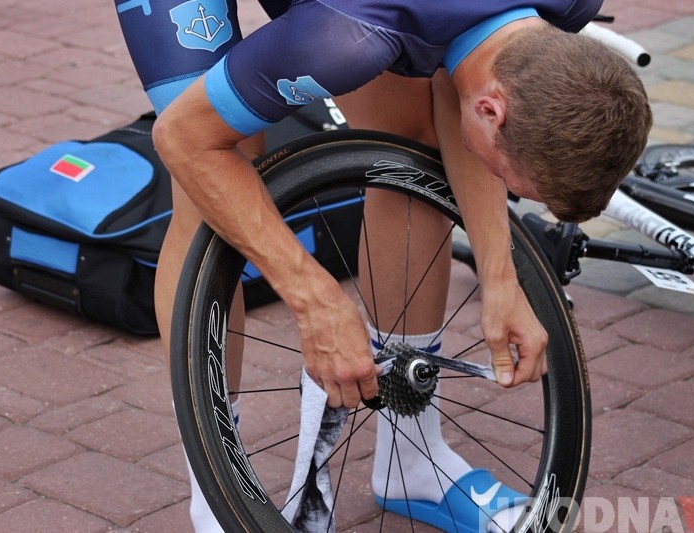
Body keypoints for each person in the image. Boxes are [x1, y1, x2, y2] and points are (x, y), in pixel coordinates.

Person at [115, 0, 652, 530]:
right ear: (495, 111)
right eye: (515, 184)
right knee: (214, 165)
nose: (508, 192)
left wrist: (500, 276)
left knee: (411, 137)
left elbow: (472, 75)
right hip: (352, 18)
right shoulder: (348, 37)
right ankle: (216, 497)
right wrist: (315, 299)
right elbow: (184, 140)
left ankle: (412, 460)